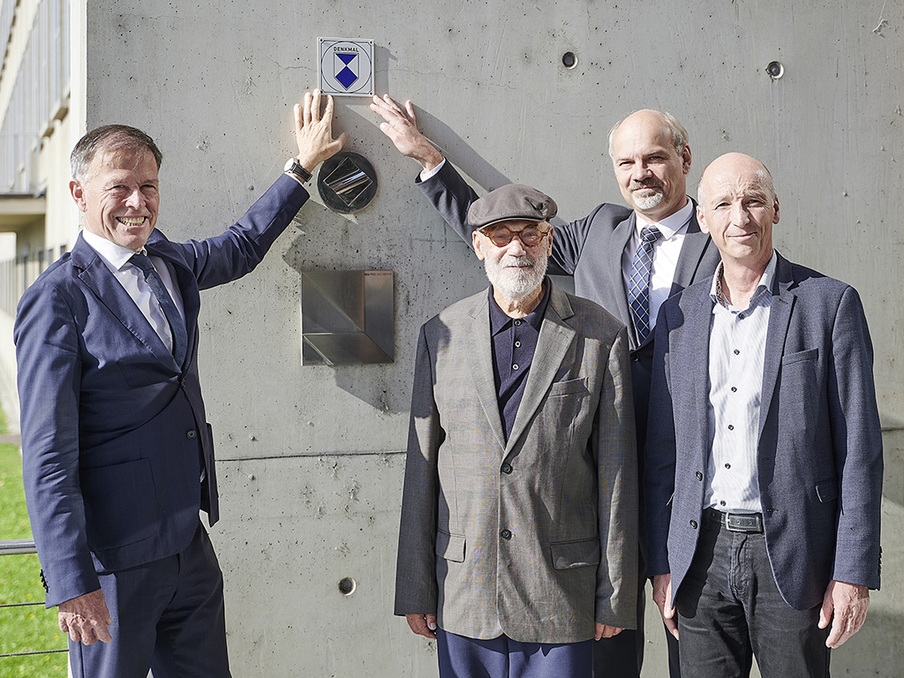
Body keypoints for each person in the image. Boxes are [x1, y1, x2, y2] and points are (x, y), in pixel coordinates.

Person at [372, 93, 720, 676]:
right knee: (601, 649)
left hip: (687, 471)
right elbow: (502, 233)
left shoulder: (721, 237)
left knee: (697, 640)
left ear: (684, 157)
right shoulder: (599, 232)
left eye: (654, 158)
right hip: (584, 467)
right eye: (626, 163)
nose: (641, 175)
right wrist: (432, 162)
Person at [14, 90, 346, 677]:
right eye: (119, 187)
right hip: (114, 562)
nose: (137, 203)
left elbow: (241, 247)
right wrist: (70, 581)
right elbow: (46, 457)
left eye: (149, 187)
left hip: (187, 544)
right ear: (78, 194)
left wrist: (303, 167)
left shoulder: (167, 263)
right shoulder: (56, 300)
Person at [644, 152, 883, 677]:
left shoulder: (829, 304)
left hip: (794, 557)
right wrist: (661, 564)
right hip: (699, 558)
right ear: (702, 219)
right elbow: (664, 451)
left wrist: (853, 570)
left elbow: (860, 451)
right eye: (723, 204)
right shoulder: (677, 316)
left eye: (753, 200)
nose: (740, 217)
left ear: (775, 208)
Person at [396, 183, 638, 677]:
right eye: (500, 236)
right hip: (465, 591)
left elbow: (616, 477)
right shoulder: (440, 334)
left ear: (549, 241)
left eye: (529, 235)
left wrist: (613, 595)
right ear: (479, 246)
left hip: (560, 595)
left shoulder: (600, 335)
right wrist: (415, 587)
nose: (516, 248)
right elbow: (421, 470)